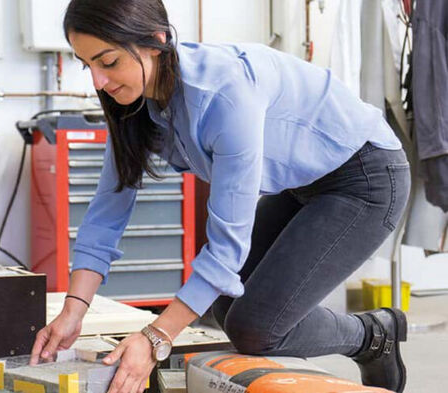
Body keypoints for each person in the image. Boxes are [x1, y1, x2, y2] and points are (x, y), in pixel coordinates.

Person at [30, 1, 411, 392]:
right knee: (228, 306)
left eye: (108, 62)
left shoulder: (223, 94)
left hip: (365, 177)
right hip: (304, 183)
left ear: (156, 41)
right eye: (86, 64)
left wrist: (156, 338)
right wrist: (73, 311)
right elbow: (107, 211)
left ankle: (372, 334)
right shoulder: (135, 104)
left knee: (255, 329)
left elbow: (226, 249)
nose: (97, 81)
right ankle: (360, 332)